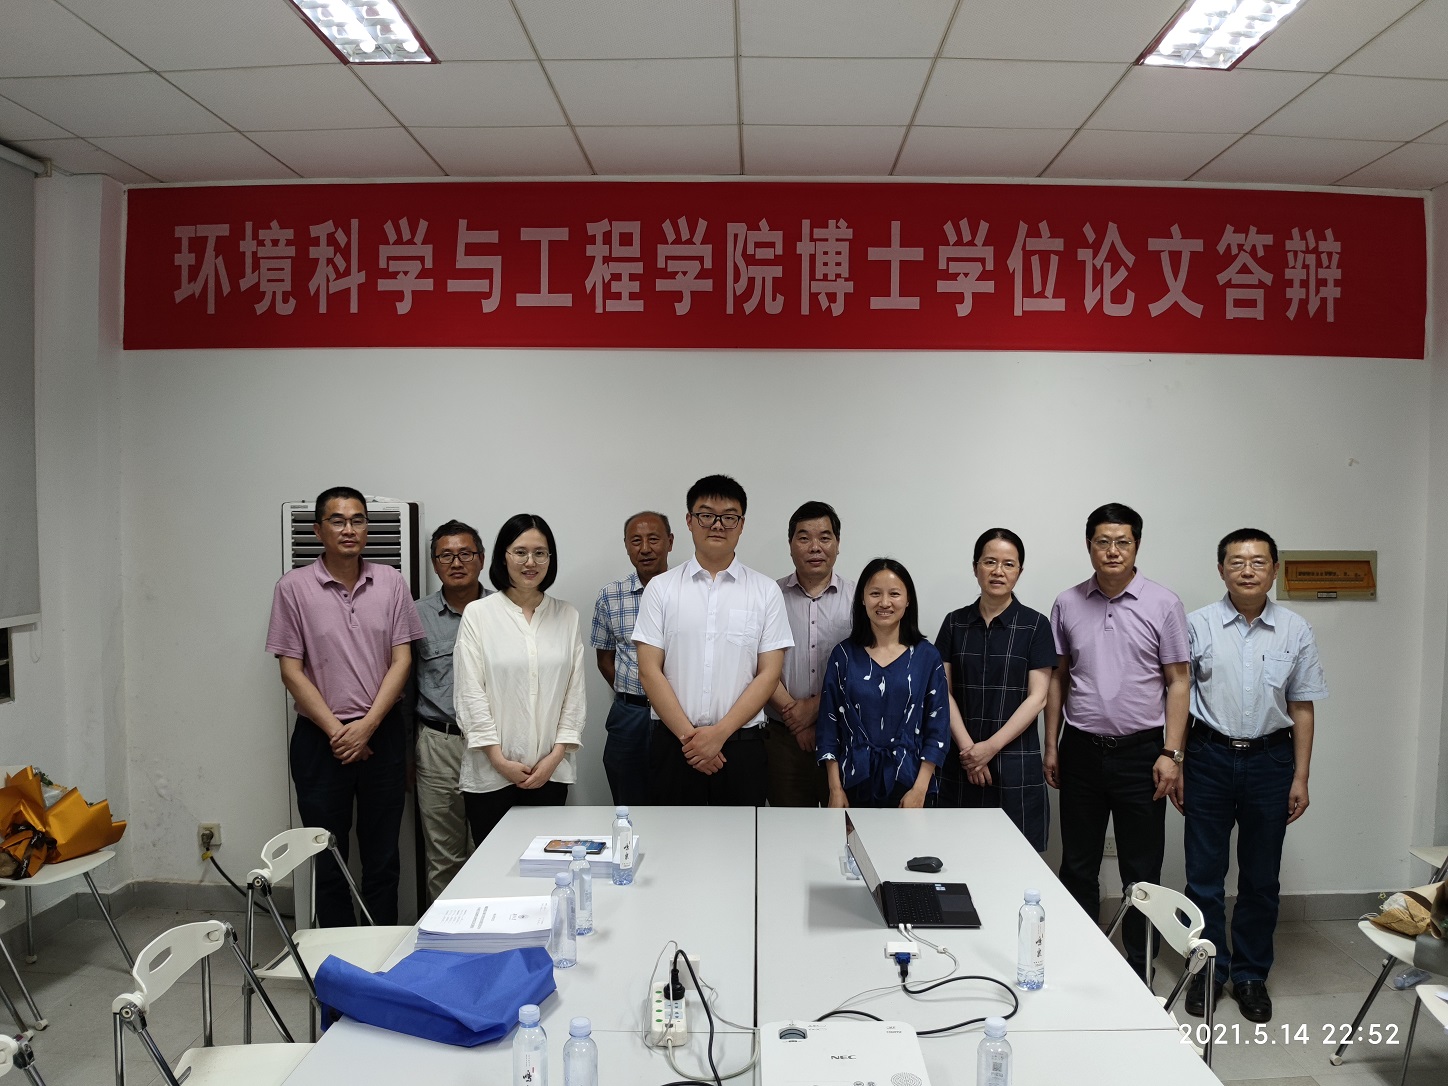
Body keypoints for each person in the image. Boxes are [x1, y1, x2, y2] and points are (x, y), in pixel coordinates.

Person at [1182, 529, 1327, 1024]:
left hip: (1271, 761)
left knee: (1261, 878)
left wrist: (1301, 776)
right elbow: (1176, 696)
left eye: (1258, 561)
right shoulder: (1197, 624)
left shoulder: (1295, 629)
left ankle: (1249, 975)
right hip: (1207, 757)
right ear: (1221, 569)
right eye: (1237, 561)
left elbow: (1302, 705)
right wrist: (1176, 761)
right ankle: (1207, 970)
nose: (1247, 570)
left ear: (1274, 570)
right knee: (1204, 875)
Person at [265, 486, 424, 927]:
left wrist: (367, 727)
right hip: (321, 740)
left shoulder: (391, 582)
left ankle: (381, 950)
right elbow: (291, 671)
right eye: (337, 520)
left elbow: (402, 661)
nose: (349, 529)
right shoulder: (293, 588)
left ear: (366, 528)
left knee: (383, 856)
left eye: (357, 520)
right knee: (326, 855)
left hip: (381, 735)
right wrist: (340, 732)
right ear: (319, 530)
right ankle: (336, 954)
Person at [1045, 502, 1190, 978]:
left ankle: (1139, 969)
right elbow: (1058, 678)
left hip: (1142, 754)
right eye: (1103, 542)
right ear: (1089, 546)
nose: (1112, 551)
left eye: (1122, 542)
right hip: (1081, 750)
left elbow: (1178, 681)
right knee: (1078, 864)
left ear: (1137, 546)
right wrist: (1052, 744)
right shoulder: (1067, 603)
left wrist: (1172, 753)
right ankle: (1081, 962)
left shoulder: (1163, 603)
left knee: (1142, 872)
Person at [633, 474, 792, 805]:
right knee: (673, 835)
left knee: (742, 837)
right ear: (689, 520)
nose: (717, 525)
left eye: (729, 517)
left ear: (742, 524)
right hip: (675, 744)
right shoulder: (661, 589)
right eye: (706, 515)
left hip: (741, 745)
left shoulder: (765, 591)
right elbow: (649, 670)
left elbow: (769, 674)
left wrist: (718, 735)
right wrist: (691, 740)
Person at [453, 514, 586, 844]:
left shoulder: (567, 615)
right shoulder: (479, 614)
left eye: (540, 553)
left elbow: (574, 694)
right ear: (503, 557)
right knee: (494, 865)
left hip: (550, 772)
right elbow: (470, 693)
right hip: (490, 775)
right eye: (520, 552)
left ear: (550, 559)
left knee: (546, 865)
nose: (531, 562)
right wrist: (499, 761)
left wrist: (554, 758)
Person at [934, 528, 1056, 849]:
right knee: (956, 855)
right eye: (990, 562)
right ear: (975, 567)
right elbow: (942, 692)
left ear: (1019, 571)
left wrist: (989, 748)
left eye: (1008, 564)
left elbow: (1038, 698)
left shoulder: (1035, 625)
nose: (998, 571)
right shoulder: (954, 623)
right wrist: (969, 751)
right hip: (961, 761)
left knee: (1016, 860)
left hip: (1015, 763)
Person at [816, 558, 949, 808]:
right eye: (875, 593)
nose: (885, 602)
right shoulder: (843, 656)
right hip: (852, 783)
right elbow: (828, 727)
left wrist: (920, 790)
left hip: (911, 783)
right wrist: (835, 789)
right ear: (862, 599)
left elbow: (938, 727)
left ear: (908, 600)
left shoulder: (927, 657)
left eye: (894, 594)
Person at [412, 519, 489, 903]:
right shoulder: (415, 615)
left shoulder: (504, 609)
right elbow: (403, 686)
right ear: (434, 563)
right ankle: (444, 935)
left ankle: (489, 931)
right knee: (443, 857)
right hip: (438, 744)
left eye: (465, 554)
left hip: (493, 745)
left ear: (481, 558)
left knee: (490, 850)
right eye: (446, 555)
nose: (456, 563)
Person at [765, 501, 854, 807]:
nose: (815, 547)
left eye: (824, 537)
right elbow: (756, 664)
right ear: (791, 545)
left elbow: (866, 666)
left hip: (844, 735)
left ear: (837, 543)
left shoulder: (859, 600)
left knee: (844, 825)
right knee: (788, 826)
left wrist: (815, 710)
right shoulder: (768, 597)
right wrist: (796, 719)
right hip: (782, 739)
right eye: (804, 538)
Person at [591, 510, 674, 806]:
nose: (645, 548)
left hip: (679, 716)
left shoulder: (690, 591)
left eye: (654, 539)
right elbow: (604, 658)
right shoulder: (610, 596)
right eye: (636, 541)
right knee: (628, 802)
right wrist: (634, 693)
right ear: (626, 545)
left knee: (678, 801)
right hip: (630, 715)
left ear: (670, 542)